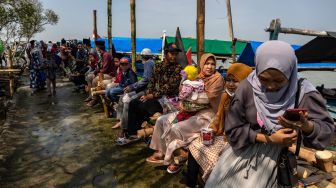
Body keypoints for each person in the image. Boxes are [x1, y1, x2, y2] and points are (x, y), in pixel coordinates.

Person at [205, 41, 335, 188]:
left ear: (291, 72)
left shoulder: (303, 92)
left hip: (279, 159)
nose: (271, 86)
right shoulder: (248, 87)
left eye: (279, 80)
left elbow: (327, 132)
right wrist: (269, 139)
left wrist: (307, 126)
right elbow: (232, 129)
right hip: (241, 152)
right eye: (264, 79)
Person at [146, 53, 224, 174]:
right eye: (207, 64)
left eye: (212, 64)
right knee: (162, 120)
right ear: (201, 65)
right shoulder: (197, 77)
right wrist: (184, 99)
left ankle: (177, 158)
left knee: (176, 127)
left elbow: (208, 98)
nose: (209, 67)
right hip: (190, 110)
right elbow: (184, 92)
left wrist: (187, 98)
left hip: (207, 114)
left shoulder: (217, 79)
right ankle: (161, 151)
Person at [186, 63, 252, 187]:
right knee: (195, 144)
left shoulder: (250, 101)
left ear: (245, 81)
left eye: (236, 81)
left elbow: (246, 129)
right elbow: (218, 118)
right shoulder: (225, 96)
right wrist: (210, 130)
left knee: (215, 158)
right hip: (223, 135)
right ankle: (190, 184)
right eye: (228, 80)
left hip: (240, 142)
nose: (231, 84)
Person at [116, 43, 182, 145]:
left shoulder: (178, 68)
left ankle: (138, 132)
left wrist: (152, 95)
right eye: (171, 53)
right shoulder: (158, 65)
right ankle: (132, 133)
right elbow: (152, 82)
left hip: (167, 100)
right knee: (133, 102)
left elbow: (170, 87)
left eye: (175, 54)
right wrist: (147, 94)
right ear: (166, 53)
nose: (173, 56)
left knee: (143, 106)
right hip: (155, 97)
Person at [113, 48, 155, 129]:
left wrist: (132, 86)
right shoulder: (151, 62)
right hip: (144, 88)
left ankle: (124, 126)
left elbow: (146, 79)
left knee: (127, 100)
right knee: (123, 97)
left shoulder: (148, 63)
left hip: (147, 90)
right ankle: (120, 120)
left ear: (143, 56)